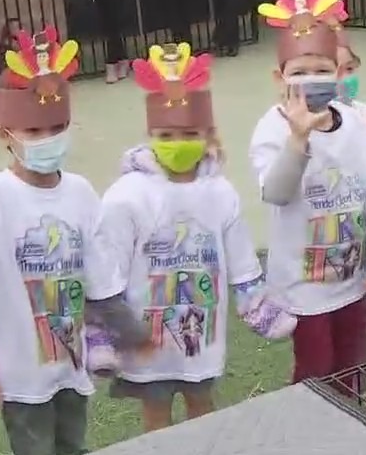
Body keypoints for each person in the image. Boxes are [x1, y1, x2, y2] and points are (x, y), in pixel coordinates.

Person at [0, 27, 149, 455]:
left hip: (70, 355)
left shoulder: (81, 192)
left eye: (57, 127)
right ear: (5, 135)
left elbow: (99, 275)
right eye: (33, 131)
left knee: (72, 439)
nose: (47, 139)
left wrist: (125, 328)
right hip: (19, 361)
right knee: (34, 445)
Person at [95, 42, 295, 432]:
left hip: (200, 332)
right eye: (166, 133)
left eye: (188, 132)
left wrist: (253, 298)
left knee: (202, 404)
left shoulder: (219, 193)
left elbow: (239, 257)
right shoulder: (127, 195)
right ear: (150, 133)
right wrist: (109, 327)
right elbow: (109, 265)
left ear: (207, 134)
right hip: (145, 335)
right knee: (156, 414)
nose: (177, 141)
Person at [249, 0, 366, 389]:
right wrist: (298, 140)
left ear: (339, 73)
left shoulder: (355, 122)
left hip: (353, 278)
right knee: (315, 370)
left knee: (352, 363)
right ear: (279, 77)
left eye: (322, 70)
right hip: (304, 287)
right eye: (299, 72)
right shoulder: (272, 127)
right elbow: (276, 191)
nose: (312, 80)